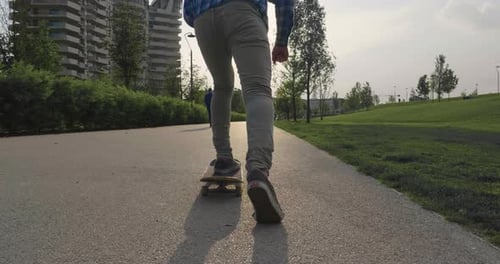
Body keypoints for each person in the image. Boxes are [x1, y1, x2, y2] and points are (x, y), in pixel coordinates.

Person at [184, 0, 294, 224]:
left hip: (203, 20)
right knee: (256, 89)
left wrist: (203, 18)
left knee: (222, 87)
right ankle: (258, 171)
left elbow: (187, 12)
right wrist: (282, 39)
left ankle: (223, 157)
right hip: (243, 11)